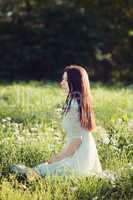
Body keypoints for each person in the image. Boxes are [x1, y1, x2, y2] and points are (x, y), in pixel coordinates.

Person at [9, 65, 102, 179]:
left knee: (43, 171)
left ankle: (28, 173)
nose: (61, 83)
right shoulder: (78, 102)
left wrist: (58, 158)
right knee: (42, 169)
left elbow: (77, 140)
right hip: (83, 153)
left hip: (79, 157)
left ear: (75, 82)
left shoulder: (74, 106)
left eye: (66, 80)